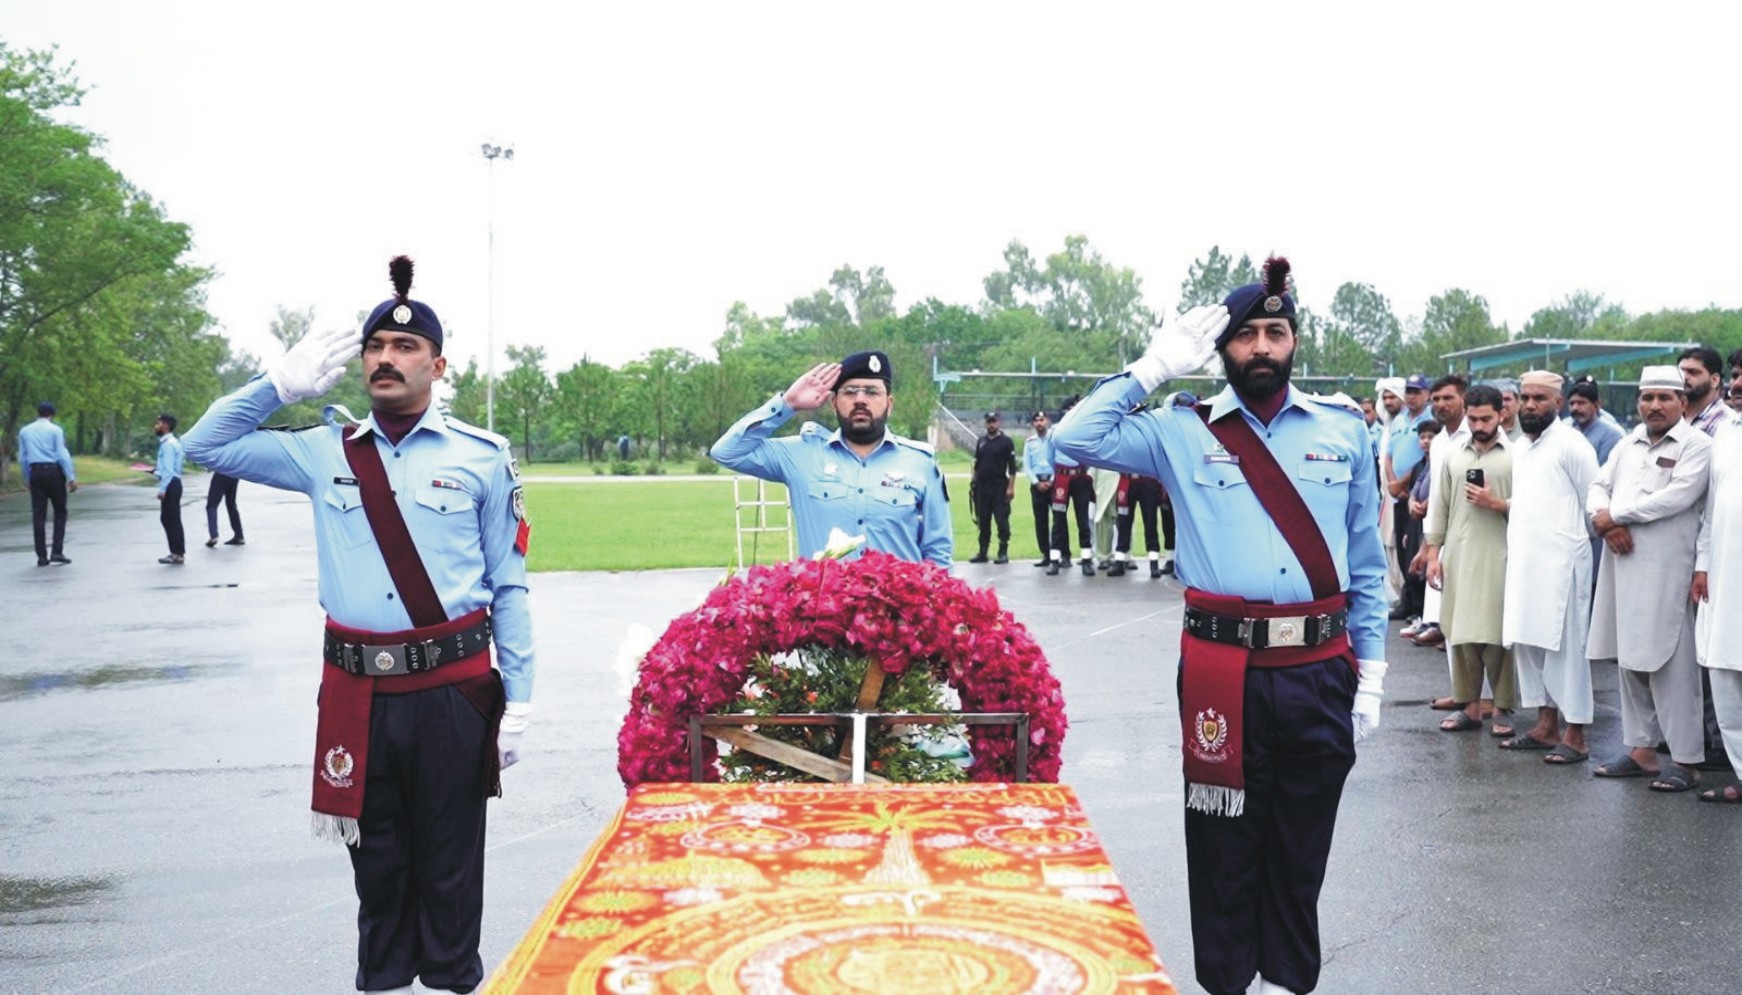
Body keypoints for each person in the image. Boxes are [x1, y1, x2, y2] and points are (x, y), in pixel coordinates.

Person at [182, 256, 534, 993]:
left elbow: (508, 584)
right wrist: (277, 386)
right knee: (377, 865)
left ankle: (454, 979)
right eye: (375, 346)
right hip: (356, 694)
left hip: (452, 691)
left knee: (450, 863)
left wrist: (522, 699)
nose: (385, 358)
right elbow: (203, 446)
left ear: (438, 365)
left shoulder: (482, 457)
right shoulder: (323, 452)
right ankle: (383, 980)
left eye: (405, 346)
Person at [1053, 257, 1387, 995]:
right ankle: (1228, 983)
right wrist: (1152, 369)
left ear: (1294, 342)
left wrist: (1374, 672)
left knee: (1302, 846)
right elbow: (1071, 442)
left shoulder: (1343, 429)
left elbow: (1366, 560)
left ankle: (1290, 981)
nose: (1261, 347)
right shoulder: (1180, 429)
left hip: (1319, 668)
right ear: (1221, 348)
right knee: (1222, 848)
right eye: (1245, 335)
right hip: (1222, 673)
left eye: (1276, 333)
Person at [1587, 366, 1711, 793]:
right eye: (1647, 398)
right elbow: (1597, 487)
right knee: (1630, 660)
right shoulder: (1627, 444)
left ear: (1682, 402)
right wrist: (1604, 522)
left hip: (1668, 570)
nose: (1654, 406)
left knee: (1672, 665)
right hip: (1621, 566)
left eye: (1664, 398)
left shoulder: (1697, 445)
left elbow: (1678, 497)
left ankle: (1685, 760)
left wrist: (1616, 516)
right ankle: (1641, 750)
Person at [711, 351, 951, 567]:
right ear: (834, 402)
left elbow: (938, 553)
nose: (860, 399)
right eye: (850, 392)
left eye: (871, 392)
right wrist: (787, 404)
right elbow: (727, 452)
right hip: (822, 601)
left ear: (889, 404)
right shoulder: (801, 455)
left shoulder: (920, 463)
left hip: (897, 603)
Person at [1499, 372, 1599, 763]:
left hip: (1562, 563)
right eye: (1525, 397)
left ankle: (1576, 734)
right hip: (1526, 562)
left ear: (1557, 403)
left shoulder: (1572, 445)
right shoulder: (1521, 447)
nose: (1529, 405)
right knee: (1527, 641)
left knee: (1568, 649)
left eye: (1539, 398)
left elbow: (1594, 503)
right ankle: (1545, 725)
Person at [1424, 384, 1517, 737]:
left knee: (1497, 636)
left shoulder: (1516, 456)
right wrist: (1433, 554)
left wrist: (1498, 504)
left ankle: (1503, 708)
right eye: (1473, 419)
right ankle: (1470, 706)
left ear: (1501, 414)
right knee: (1460, 632)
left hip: (1501, 555)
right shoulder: (1454, 455)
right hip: (1459, 556)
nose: (1479, 426)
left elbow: (1533, 507)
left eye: (1486, 419)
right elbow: (1441, 506)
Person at [1693, 416, 1742, 803]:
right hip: (1725, 581)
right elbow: (1710, 512)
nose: (1737, 387)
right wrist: (1702, 565)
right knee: (1724, 674)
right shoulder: (1726, 435)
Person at [1383, 374, 1435, 622]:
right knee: (1404, 550)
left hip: (1417, 493)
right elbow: (1388, 455)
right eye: (1409, 391)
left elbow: (1424, 460)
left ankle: (1420, 606)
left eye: (1417, 392)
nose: (1411, 396)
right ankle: (1407, 601)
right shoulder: (1399, 419)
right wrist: (1393, 484)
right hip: (1399, 496)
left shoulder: (1431, 420)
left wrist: (1404, 486)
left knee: (1417, 548)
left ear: (1427, 394)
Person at [18, 401, 77, 566]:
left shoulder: (25, 431)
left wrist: (27, 477)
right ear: (52, 414)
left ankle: (41, 556)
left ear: (38, 413)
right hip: (53, 472)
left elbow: (22, 457)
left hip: (36, 472)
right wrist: (71, 477)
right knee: (60, 511)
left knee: (38, 514)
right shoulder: (55, 430)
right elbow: (62, 454)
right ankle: (56, 551)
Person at [1046, 396, 1095, 576]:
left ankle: (1086, 560)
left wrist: (1081, 470)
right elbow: (1049, 456)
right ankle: (1054, 560)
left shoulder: (1084, 431)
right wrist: (1060, 472)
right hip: (1062, 478)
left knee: (1083, 520)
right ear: (1065, 411)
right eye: (1071, 408)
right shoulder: (1055, 431)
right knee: (1058, 520)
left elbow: (1088, 454)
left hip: (1080, 478)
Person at [968, 411, 1016, 563]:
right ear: (985, 423)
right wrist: (973, 482)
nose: (991, 424)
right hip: (982, 486)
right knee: (983, 520)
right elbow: (977, 463)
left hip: (999, 485)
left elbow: (1012, 468)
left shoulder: (1006, 442)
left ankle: (1003, 552)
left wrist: (1011, 487)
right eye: (989, 422)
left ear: (998, 422)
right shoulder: (981, 441)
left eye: (994, 421)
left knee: (1001, 519)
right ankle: (983, 552)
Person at [1022, 410, 1055, 567]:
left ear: (1046, 421)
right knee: (1041, 521)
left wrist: (1052, 481)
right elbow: (1027, 466)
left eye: (1041, 420)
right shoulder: (1030, 442)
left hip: (1053, 483)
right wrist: (1036, 482)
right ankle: (1046, 554)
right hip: (1037, 485)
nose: (1039, 423)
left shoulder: (1054, 439)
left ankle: (1060, 553)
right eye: (1036, 420)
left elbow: (1059, 460)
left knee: (1058, 520)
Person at [1678, 346, 1734, 437]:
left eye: (1693, 372)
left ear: (1714, 380)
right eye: (1680, 372)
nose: (1684, 377)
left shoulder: (1729, 422)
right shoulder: (1669, 417)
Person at [154, 414, 187, 565]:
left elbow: (168, 470)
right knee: (171, 518)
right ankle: (177, 552)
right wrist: (155, 471)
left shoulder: (167, 444)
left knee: (170, 519)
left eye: (159, 423)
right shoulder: (174, 442)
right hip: (174, 482)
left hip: (170, 484)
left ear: (166, 425)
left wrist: (163, 489)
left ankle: (177, 553)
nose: (156, 426)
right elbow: (173, 468)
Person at [1567, 377, 1622, 467]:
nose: (1575, 408)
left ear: (1596, 405)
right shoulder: (1564, 429)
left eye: (1581, 403)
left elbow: (1602, 471)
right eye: (1572, 403)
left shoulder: (1610, 436)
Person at [204, 471, 245, 547]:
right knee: (231, 504)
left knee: (211, 505)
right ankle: (239, 536)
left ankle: (213, 536)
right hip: (235, 474)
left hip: (221, 472)